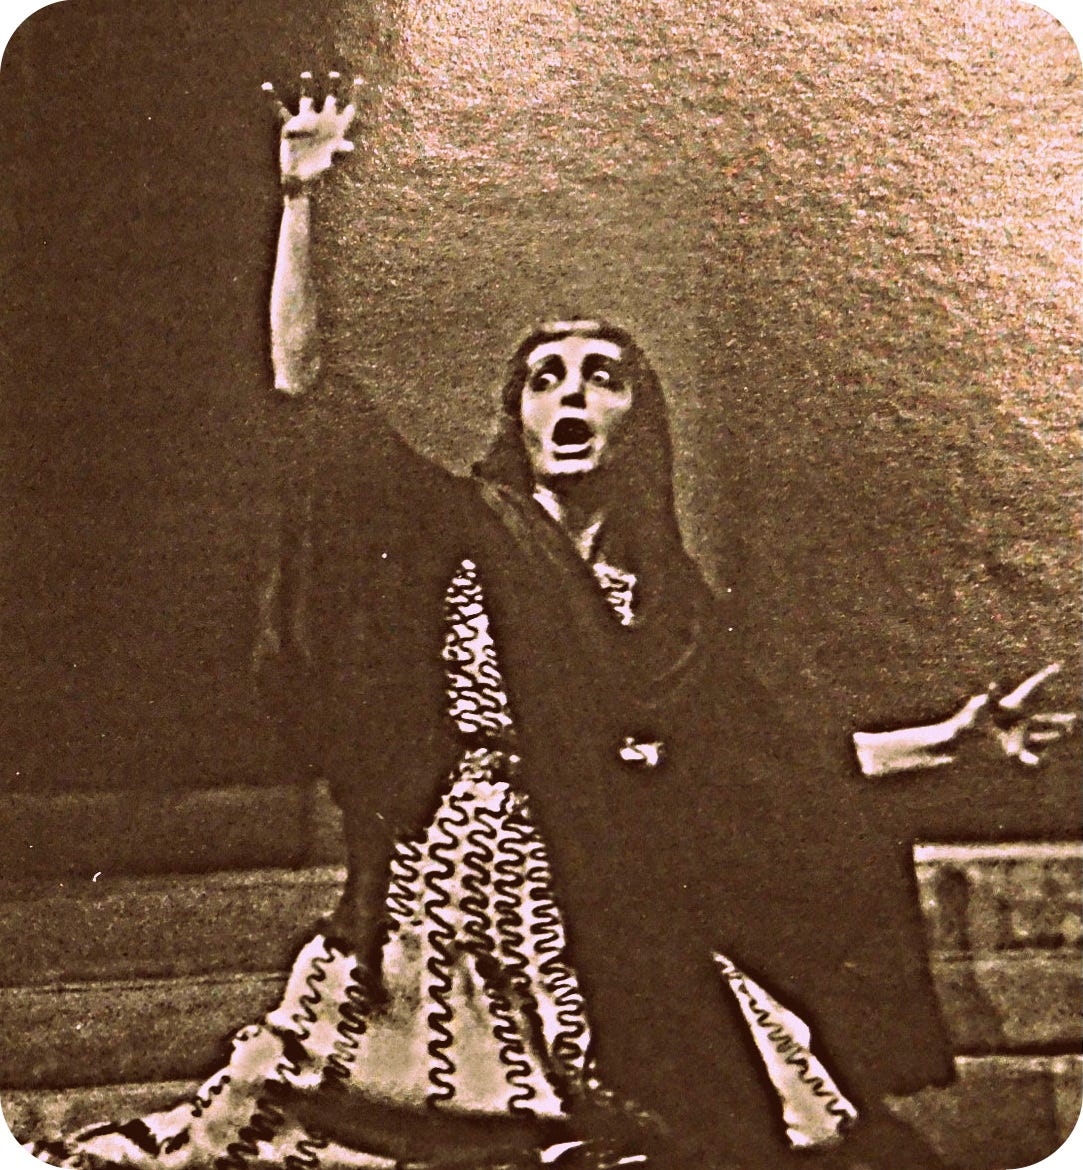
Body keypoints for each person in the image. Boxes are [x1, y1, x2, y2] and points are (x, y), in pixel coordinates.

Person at [26, 76, 1077, 1170]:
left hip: (609, 886)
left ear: (635, 417)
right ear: (519, 414)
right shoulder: (462, 528)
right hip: (465, 872)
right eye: (543, 380)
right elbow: (310, 392)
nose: (568, 397)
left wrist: (953, 743)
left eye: (598, 378)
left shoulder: (669, 607)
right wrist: (299, 201)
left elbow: (768, 762)